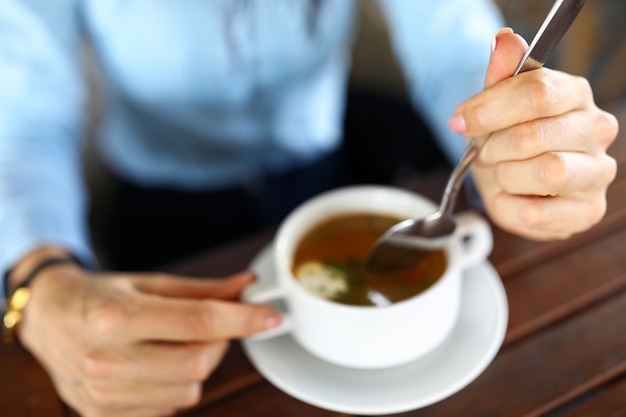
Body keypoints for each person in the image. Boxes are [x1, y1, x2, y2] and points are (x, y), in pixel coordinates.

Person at [0, 1, 617, 416]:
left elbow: (449, 36)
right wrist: (38, 278)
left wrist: (512, 145)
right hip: (164, 214)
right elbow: (22, 113)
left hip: (325, 173)